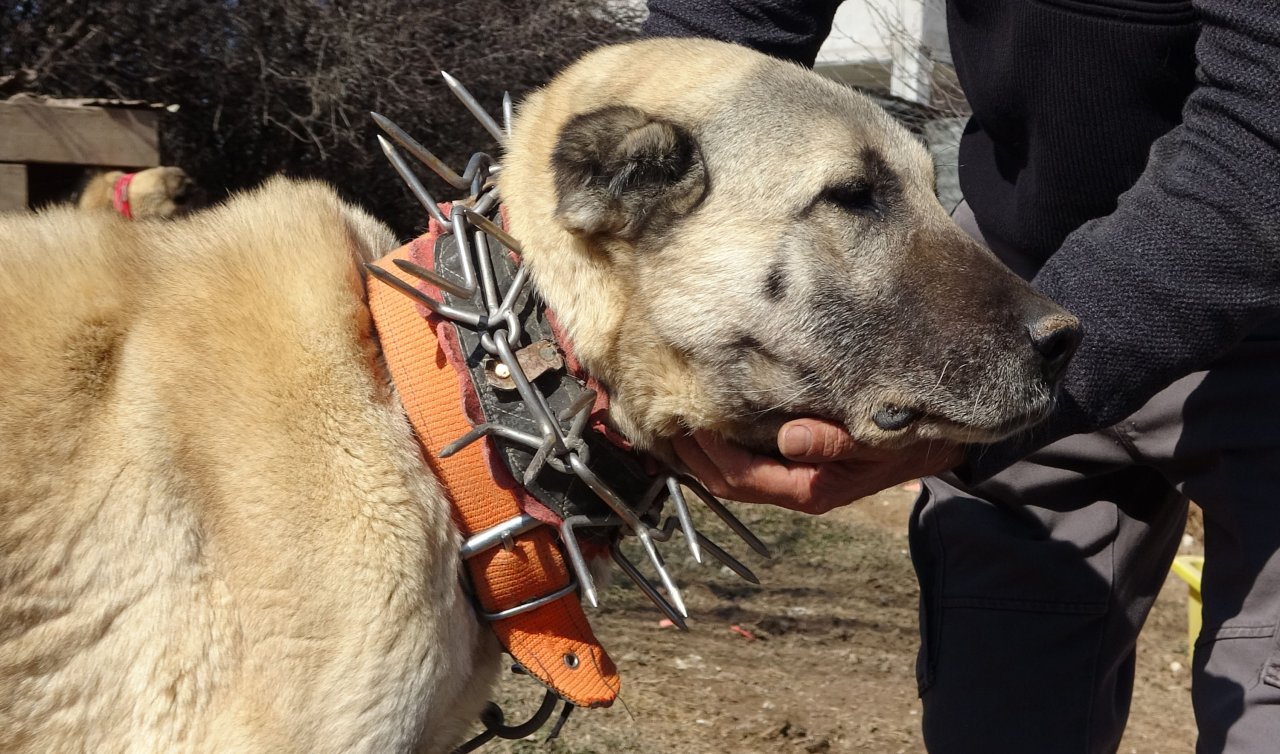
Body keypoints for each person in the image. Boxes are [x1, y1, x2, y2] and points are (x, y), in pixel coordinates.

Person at [643, 1, 1280, 751]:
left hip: (1245, 297)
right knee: (996, 722)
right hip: (1017, 272)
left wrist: (1002, 368)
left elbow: (1265, 124)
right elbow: (727, 28)